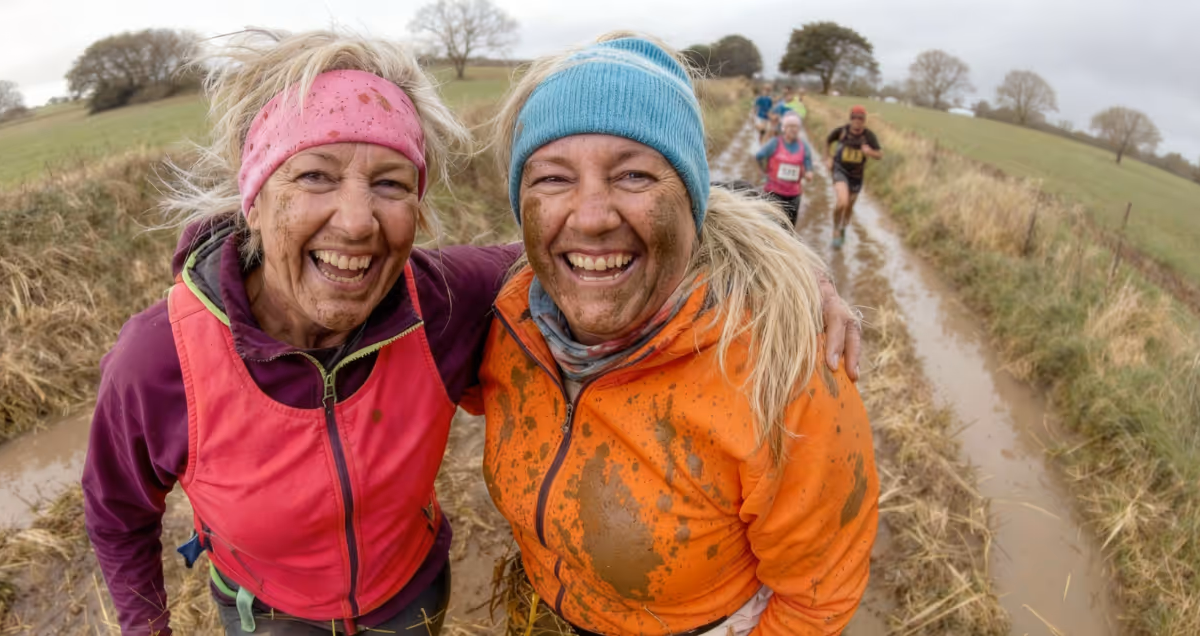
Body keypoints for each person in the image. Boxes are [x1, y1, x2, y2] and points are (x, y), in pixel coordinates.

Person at [82, 28, 864, 636]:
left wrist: (785, 264)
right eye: (314, 174)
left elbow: (621, 232)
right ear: (252, 197)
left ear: (415, 212)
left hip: (413, 599)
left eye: (389, 184)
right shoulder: (160, 361)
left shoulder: (443, 302)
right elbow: (117, 515)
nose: (355, 222)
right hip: (267, 615)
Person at [480, 34, 878, 636]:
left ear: (692, 200)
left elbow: (815, 601)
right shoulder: (507, 315)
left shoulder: (782, 371)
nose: (590, 216)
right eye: (553, 178)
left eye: (635, 175)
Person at [825, 105, 882, 248]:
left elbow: (879, 154)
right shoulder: (842, 131)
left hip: (857, 175)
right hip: (840, 170)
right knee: (842, 201)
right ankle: (836, 229)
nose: (857, 121)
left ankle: (843, 226)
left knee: (849, 206)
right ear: (851, 119)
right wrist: (828, 158)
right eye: (855, 118)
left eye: (861, 118)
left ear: (864, 120)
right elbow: (828, 141)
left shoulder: (868, 136)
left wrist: (869, 151)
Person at [755, 113, 814, 230]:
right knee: (771, 226)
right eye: (790, 126)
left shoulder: (804, 146)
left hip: (794, 194)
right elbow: (759, 156)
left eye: (796, 127)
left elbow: (808, 162)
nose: (793, 129)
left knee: (789, 227)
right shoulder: (775, 143)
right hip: (773, 191)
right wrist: (763, 171)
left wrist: (809, 172)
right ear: (784, 128)